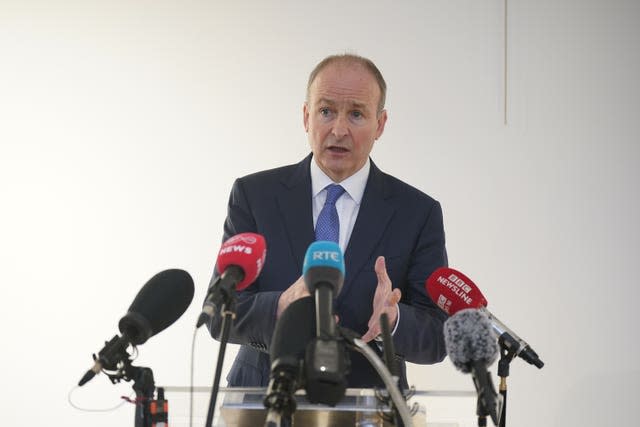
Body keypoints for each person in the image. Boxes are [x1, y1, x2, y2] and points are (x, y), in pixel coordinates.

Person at [208, 53, 448, 389]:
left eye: (356, 114)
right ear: (306, 117)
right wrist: (279, 307)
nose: (338, 129)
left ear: (380, 124)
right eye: (326, 111)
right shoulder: (254, 195)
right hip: (263, 397)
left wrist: (394, 321)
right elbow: (219, 313)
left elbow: (438, 336)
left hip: (369, 404)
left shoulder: (417, 213)